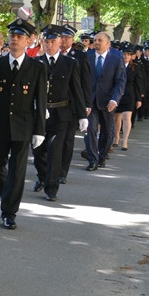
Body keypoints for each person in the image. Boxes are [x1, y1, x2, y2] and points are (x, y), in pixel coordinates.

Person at [0, 18, 46, 230]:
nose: (14, 39)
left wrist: (40, 130)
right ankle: (7, 197)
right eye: (12, 35)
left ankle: (9, 212)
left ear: (28, 40)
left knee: (17, 170)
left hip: (23, 125)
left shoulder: (37, 68)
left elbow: (40, 100)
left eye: (19, 36)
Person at [32, 25, 87, 202]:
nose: (49, 45)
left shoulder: (70, 63)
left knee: (55, 150)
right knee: (39, 151)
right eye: (46, 42)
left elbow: (76, 89)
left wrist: (82, 115)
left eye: (53, 41)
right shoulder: (36, 63)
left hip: (61, 113)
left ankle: (51, 187)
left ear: (60, 42)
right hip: (39, 113)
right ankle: (42, 176)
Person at [83, 31, 126, 171]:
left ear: (108, 44)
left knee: (108, 133)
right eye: (95, 40)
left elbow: (120, 81)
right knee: (91, 130)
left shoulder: (116, 59)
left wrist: (115, 99)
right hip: (90, 101)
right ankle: (92, 159)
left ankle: (102, 156)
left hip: (108, 102)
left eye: (100, 40)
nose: (96, 42)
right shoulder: (86, 57)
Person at [59, 25, 91, 184]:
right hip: (52, 105)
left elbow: (85, 82)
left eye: (67, 38)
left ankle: (62, 172)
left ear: (72, 40)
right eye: (61, 37)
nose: (63, 41)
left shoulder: (80, 56)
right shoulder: (51, 54)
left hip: (71, 105)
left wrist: (86, 104)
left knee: (67, 140)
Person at [113, 44, 142, 150]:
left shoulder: (135, 67)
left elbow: (138, 84)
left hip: (129, 95)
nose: (126, 57)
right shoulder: (116, 66)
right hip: (117, 95)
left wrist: (139, 99)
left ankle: (125, 141)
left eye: (128, 55)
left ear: (131, 56)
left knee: (126, 117)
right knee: (116, 118)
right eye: (124, 54)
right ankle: (116, 137)